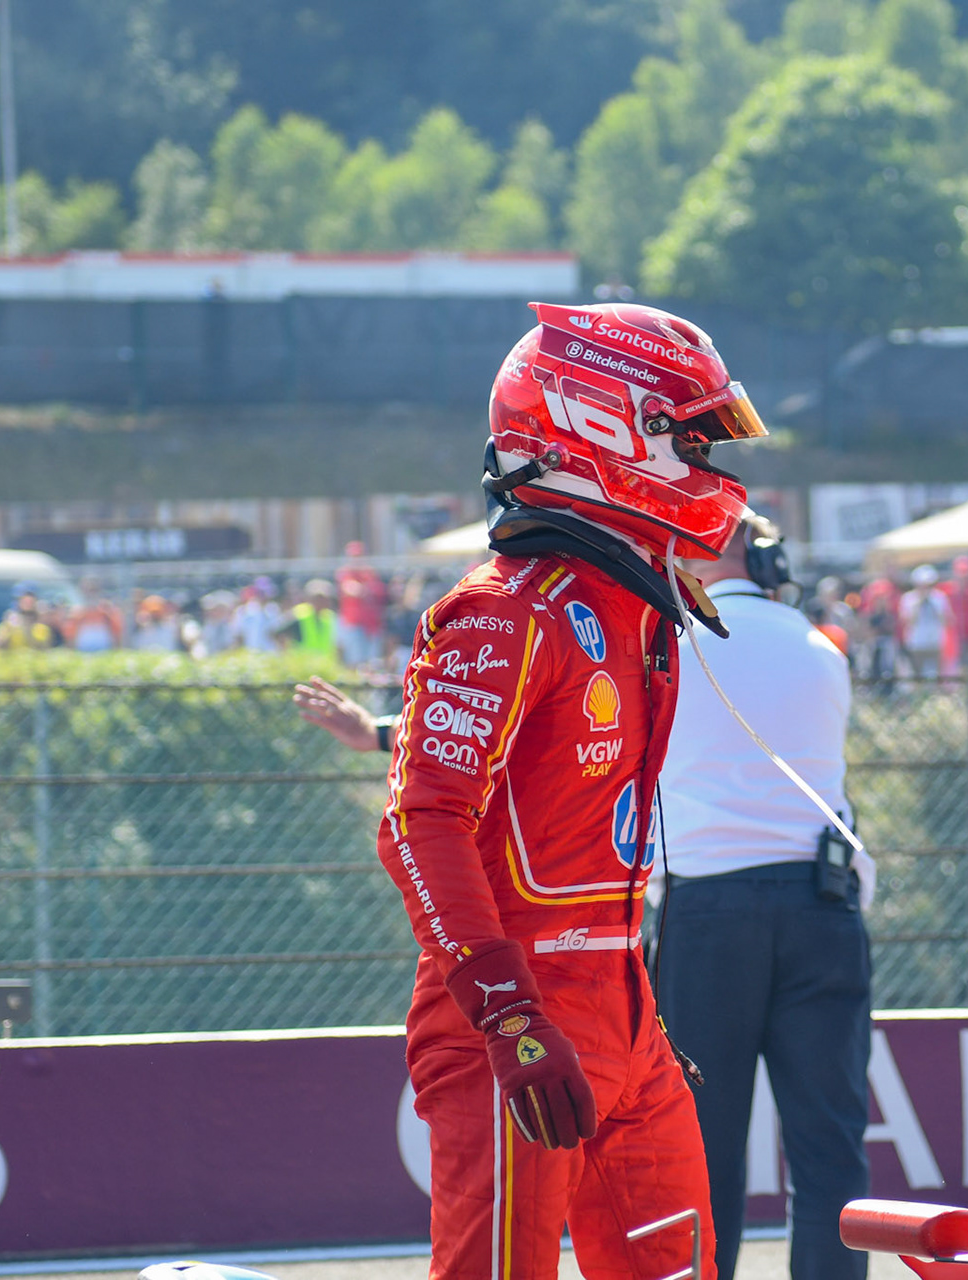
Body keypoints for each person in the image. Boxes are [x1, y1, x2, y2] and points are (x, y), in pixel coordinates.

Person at [375, 300, 764, 1280]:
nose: (715, 469)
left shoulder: (633, 610)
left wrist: (625, 1021)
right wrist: (508, 1014)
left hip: (628, 1005)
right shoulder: (503, 612)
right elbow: (419, 822)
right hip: (514, 1010)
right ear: (599, 426)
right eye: (695, 437)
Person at [653, 511, 873, 1280]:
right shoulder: (819, 649)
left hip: (705, 910)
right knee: (830, 1147)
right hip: (822, 905)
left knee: (701, 1151)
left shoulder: (669, 649)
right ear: (761, 554)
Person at [336, 541, 389, 666]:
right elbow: (350, 589)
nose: (357, 560)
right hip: (354, 623)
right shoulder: (346, 572)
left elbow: (380, 591)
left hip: (372, 624)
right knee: (356, 660)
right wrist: (365, 590)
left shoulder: (369, 573)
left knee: (372, 661)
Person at [898, 564, 952, 679]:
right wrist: (919, 603)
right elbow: (908, 621)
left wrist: (934, 607)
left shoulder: (939, 598)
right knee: (917, 677)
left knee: (935, 676)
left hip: (935, 643)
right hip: (916, 644)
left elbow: (947, 620)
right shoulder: (908, 598)